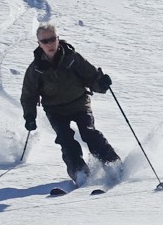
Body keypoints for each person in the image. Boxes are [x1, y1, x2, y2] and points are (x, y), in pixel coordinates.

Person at [21, 23, 121, 184]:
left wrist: (101, 83)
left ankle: (113, 164)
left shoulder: (73, 58)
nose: (49, 44)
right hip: (55, 109)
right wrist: (30, 116)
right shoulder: (35, 69)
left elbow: (92, 77)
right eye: (45, 41)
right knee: (65, 138)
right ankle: (79, 171)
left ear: (58, 39)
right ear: (39, 44)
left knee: (89, 133)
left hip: (79, 103)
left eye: (52, 39)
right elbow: (29, 96)